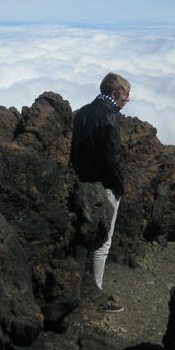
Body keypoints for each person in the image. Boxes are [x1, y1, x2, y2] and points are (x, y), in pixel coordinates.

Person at [69, 73, 131, 313]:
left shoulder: (82, 112)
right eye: (126, 95)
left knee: (82, 238)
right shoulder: (110, 115)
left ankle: (77, 287)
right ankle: (96, 294)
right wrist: (119, 186)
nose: (127, 100)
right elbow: (113, 156)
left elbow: (74, 152)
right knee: (102, 243)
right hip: (105, 186)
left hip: (83, 184)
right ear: (115, 94)